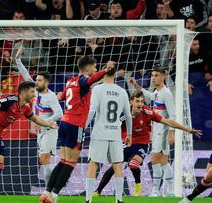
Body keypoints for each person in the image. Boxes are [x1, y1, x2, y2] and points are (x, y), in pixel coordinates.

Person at [91, 91, 202, 199]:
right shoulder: (123, 114)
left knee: (133, 165)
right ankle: (97, 191)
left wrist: (188, 130)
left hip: (142, 144)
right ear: (131, 102)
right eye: (137, 101)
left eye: (142, 101)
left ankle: (138, 183)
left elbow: (168, 122)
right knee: (115, 167)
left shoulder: (148, 112)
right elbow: (112, 129)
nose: (140, 104)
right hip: (126, 143)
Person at [39, 57, 115, 203]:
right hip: (75, 124)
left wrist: (58, 96)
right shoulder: (83, 80)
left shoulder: (71, 81)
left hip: (65, 122)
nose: (96, 70)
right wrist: (106, 69)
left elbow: (61, 96)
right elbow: (91, 80)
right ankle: (54, 195)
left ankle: (46, 192)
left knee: (63, 160)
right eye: (95, 67)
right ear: (87, 68)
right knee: (70, 163)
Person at [15, 47, 63, 185]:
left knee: (44, 158)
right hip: (40, 131)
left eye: (40, 80)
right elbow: (25, 75)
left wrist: (43, 121)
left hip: (49, 130)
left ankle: (53, 187)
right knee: (43, 160)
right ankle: (52, 187)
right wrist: (18, 59)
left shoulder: (51, 96)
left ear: (46, 83)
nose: (36, 82)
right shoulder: (35, 91)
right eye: (36, 80)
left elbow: (59, 113)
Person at [85, 64, 132, 203]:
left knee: (93, 164)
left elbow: (92, 110)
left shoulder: (97, 89)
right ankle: (119, 199)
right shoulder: (122, 91)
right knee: (117, 165)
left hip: (100, 132)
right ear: (115, 73)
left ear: (103, 72)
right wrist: (129, 134)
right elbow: (128, 116)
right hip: (115, 133)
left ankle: (88, 200)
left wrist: (82, 127)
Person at [130, 67, 176, 196]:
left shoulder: (166, 93)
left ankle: (157, 190)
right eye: (152, 75)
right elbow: (148, 96)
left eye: (156, 75)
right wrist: (136, 85)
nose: (153, 78)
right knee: (162, 161)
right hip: (157, 131)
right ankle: (170, 191)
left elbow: (172, 114)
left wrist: (171, 132)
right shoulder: (157, 92)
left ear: (163, 77)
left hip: (163, 131)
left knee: (155, 158)